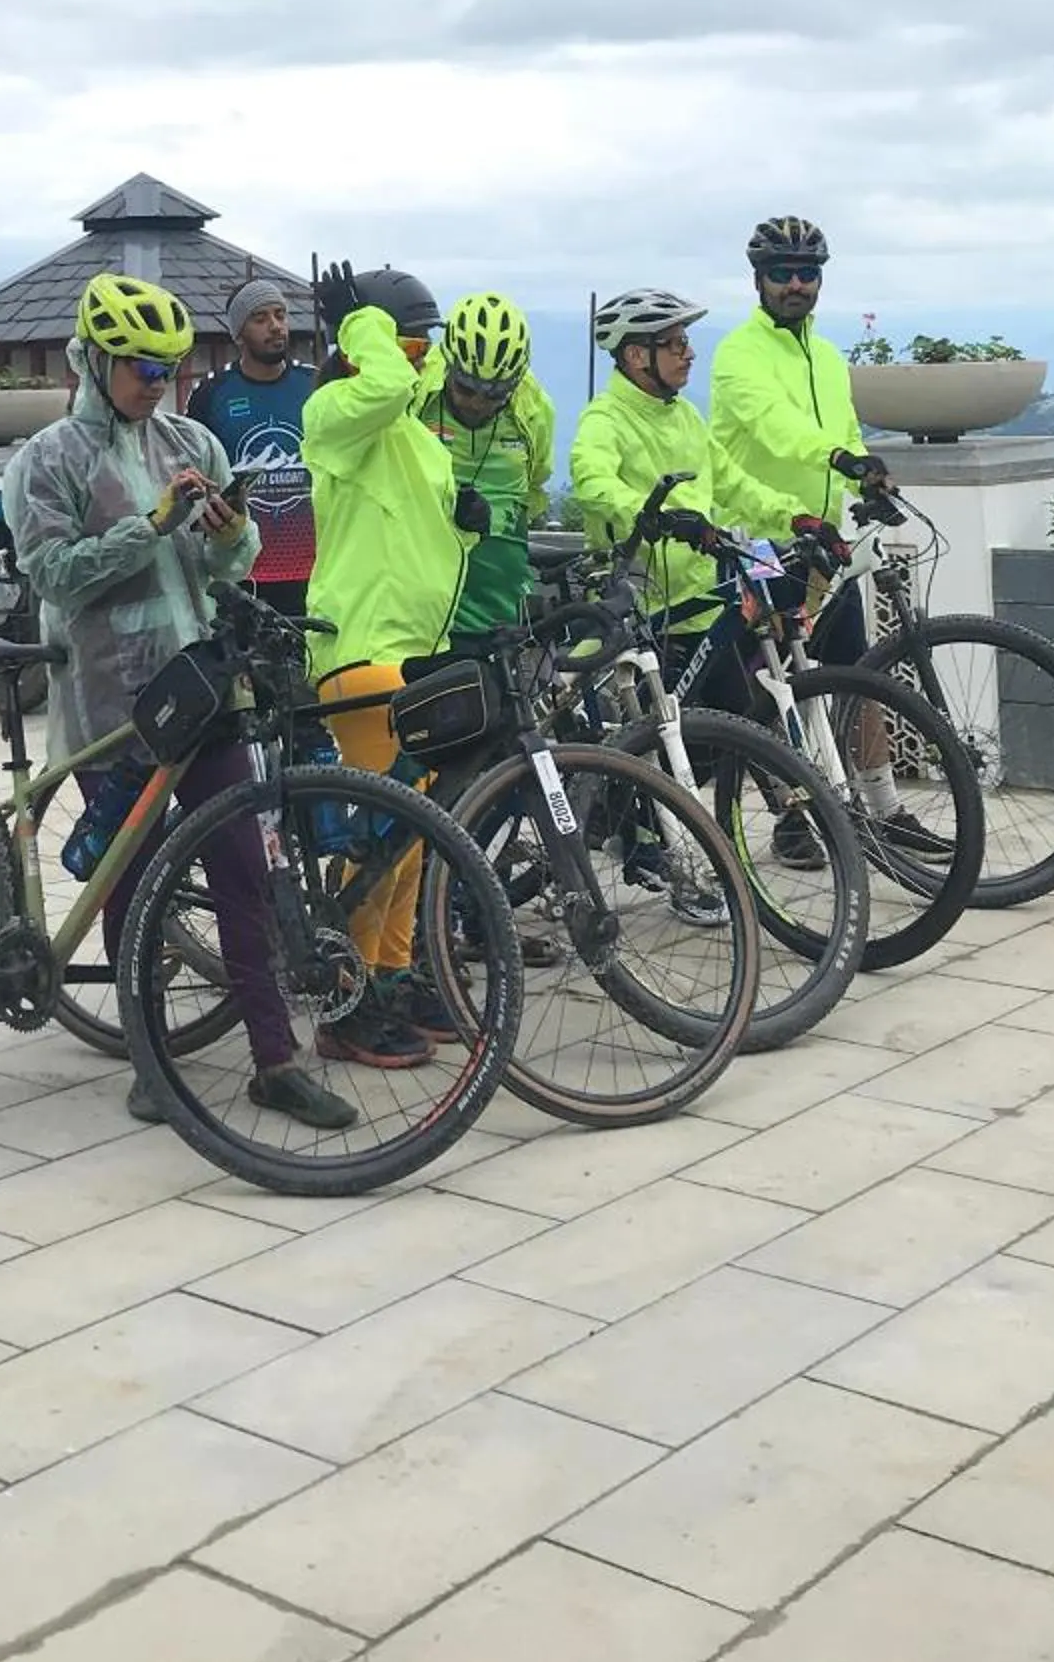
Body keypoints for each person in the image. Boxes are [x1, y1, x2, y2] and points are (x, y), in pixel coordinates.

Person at [1, 272, 355, 1130]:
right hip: (111, 701)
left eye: (170, 367)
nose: (158, 383)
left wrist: (234, 537)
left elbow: (236, 562)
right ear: (93, 359)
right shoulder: (46, 460)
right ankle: (150, 1060)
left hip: (205, 690)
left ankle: (275, 1060)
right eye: (141, 368)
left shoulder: (192, 440)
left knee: (244, 869)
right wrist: (149, 526)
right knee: (131, 887)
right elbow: (53, 574)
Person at [708, 216, 936, 844]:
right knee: (776, 689)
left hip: (824, 545)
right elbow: (773, 426)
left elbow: (846, 435)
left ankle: (885, 810)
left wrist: (864, 473)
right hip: (758, 544)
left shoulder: (830, 358)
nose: (796, 284)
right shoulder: (738, 354)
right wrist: (837, 458)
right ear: (759, 280)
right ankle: (794, 818)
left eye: (807, 273)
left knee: (858, 673)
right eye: (781, 273)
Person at [302, 260, 478, 1068]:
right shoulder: (336, 409)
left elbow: (418, 540)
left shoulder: (412, 431)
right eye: (403, 339)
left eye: (421, 343)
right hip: (360, 651)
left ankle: (393, 974)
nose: (414, 356)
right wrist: (360, 325)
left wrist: (466, 524)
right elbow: (377, 386)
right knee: (384, 837)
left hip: (419, 652)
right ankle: (346, 1000)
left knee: (416, 837)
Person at [570, 287, 802, 878]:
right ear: (634, 356)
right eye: (672, 344)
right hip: (646, 609)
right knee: (660, 747)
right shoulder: (605, 419)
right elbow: (592, 483)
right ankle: (646, 843)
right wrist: (652, 514)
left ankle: (680, 842)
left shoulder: (686, 416)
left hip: (703, 607)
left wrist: (794, 515)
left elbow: (733, 486)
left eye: (685, 341)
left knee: (726, 740)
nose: (687, 353)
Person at [412, 293, 555, 643]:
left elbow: (534, 490)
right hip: (423, 605)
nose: (478, 403)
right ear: (446, 364)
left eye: (495, 395)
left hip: (498, 604)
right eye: (466, 387)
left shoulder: (534, 409)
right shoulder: (414, 394)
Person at [184, 281, 316, 613]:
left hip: (316, 572)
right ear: (238, 332)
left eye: (280, 315)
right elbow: (195, 479)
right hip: (243, 575)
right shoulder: (212, 393)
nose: (275, 326)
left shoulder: (316, 384)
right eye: (260, 318)